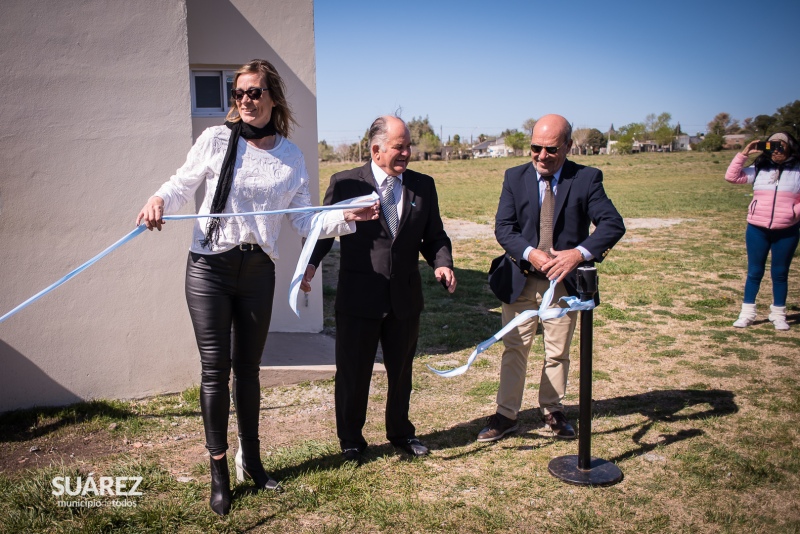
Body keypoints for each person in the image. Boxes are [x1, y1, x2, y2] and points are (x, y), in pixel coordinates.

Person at [135, 59, 378, 516]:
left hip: (257, 272)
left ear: (272, 98)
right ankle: (219, 473)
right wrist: (158, 200)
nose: (245, 99)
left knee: (248, 370)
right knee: (215, 369)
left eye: (254, 92)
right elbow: (181, 183)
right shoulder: (215, 139)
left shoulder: (290, 156)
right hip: (209, 268)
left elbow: (304, 220)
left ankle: (255, 462)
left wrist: (345, 216)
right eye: (238, 93)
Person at [301, 115, 456, 462]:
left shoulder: (422, 186)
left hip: (404, 298)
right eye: (400, 146)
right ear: (376, 149)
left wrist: (442, 262)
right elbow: (323, 230)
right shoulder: (345, 184)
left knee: (401, 373)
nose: (407, 153)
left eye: (408, 146)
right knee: (354, 374)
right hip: (359, 298)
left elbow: (434, 236)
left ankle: (400, 432)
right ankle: (351, 440)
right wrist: (310, 266)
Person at [479, 114, 625, 442]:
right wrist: (531, 253)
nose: (542, 156)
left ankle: (553, 410)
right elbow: (504, 228)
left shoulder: (586, 179)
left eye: (551, 149)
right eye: (535, 148)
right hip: (521, 279)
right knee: (515, 347)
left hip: (563, 285)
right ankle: (506, 415)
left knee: (558, 350)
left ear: (568, 146)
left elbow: (612, 224)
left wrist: (578, 254)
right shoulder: (514, 178)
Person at [726, 132, 800, 331]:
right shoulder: (760, 169)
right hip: (757, 228)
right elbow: (732, 176)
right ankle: (747, 314)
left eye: (781, 146)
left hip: (787, 230)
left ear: (791, 147)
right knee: (754, 272)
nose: (776, 150)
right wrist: (745, 152)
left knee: (780, 273)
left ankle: (779, 314)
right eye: (772, 146)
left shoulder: (797, 171)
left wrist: (794, 213)